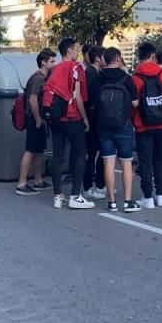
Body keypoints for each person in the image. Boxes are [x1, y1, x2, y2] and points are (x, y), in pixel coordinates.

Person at [46, 37, 94, 209]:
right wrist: (85, 118)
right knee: (81, 154)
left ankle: (58, 196)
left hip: (56, 118)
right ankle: (75, 195)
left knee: (57, 156)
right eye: (76, 49)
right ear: (69, 50)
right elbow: (78, 96)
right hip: (73, 117)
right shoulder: (76, 68)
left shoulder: (54, 69)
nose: (77, 52)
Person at [131, 42, 162, 210]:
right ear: (153, 56)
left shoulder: (135, 78)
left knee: (145, 162)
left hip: (142, 125)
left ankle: (147, 197)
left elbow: (132, 104)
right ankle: (160, 195)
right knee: (160, 160)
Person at [94, 47, 140, 212]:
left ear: (106, 60)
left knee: (108, 162)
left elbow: (93, 101)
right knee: (126, 163)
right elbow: (135, 103)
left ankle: (111, 201)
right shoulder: (126, 78)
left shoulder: (99, 77)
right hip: (123, 125)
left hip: (103, 125)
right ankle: (127, 201)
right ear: (119, 59)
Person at [15, 49, 56, 196]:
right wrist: (38, 119)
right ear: (43, 62)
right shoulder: (39, 78)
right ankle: (21, 183)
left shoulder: (39, 76)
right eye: (51, 61)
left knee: (37, 151)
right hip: (34, 119)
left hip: (35, 118)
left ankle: (38, 181)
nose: (54, 64)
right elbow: (33, 99)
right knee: (30, 150)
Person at [82, 46, 107, 200]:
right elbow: (91, 98)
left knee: (98, 154)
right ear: (97, 58)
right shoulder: (91, 74)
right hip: (93, 119)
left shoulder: (96, 73)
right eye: (104, 56)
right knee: (92, 155)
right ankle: (88, 187)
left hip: (94, 119)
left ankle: (99, 185)